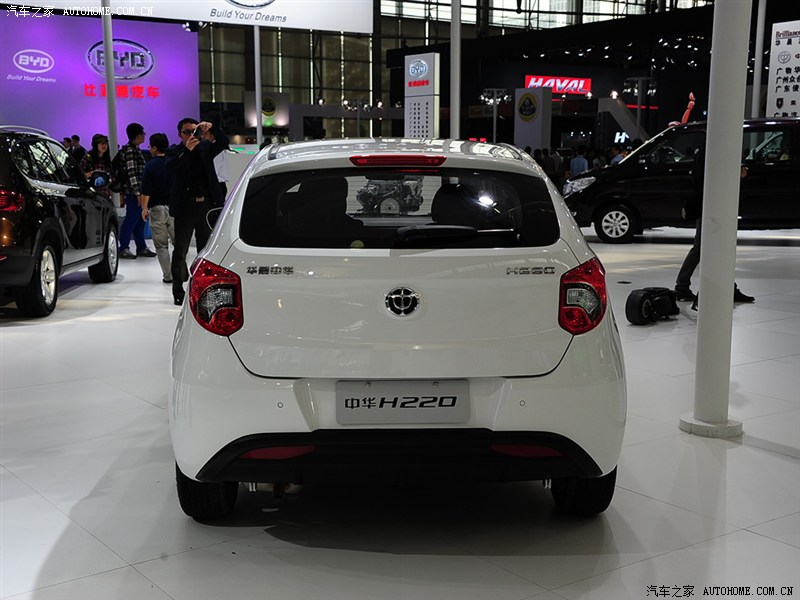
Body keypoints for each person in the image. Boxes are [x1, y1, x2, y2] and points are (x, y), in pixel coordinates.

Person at [675, 144, 755, 304]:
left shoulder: (705, 150)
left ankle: (685, 285)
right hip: (715, 205)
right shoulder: (717, 150)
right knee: (709, 247)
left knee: (706, 247)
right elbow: (728, 176)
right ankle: (683, 285)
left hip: (710, 204)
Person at [166, 118, 229, 305]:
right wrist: (186, 150)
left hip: (205, 206)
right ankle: (178, 291)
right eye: (187, 132)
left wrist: (213, 127)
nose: (191, 135)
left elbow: (223, 142)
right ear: (179, 134)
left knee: (206, 251)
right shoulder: (175, 151)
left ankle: (203, 289)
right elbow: (170, 167)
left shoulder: (206, 148)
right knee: (180, 250)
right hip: (185, 207)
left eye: (195, 131)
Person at [117, 122, 156, 259]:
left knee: (139, 221)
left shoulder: (135, 149)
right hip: (134, 193)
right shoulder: (130, 151)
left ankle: (141, 247)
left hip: (139, 192)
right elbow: (131, 173)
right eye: (143, 133)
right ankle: (123, 248)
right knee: (131, 220)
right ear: (138, 135)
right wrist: (138, 193)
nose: (144, 136)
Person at [140, 133, 175, 283]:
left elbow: (146, 190)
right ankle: (179, 273)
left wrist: (144, 208)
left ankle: (168, 276)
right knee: (179, 244)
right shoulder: (174, 163)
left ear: (154, 148)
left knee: (161, 246)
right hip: (175, 208)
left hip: (157, 209)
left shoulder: (150, 166)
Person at [79, 133, 112, 198]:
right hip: (91, 192)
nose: (104, 145)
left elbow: (111, 174)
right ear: (95, 145)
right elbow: (79, 174)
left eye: (105, 143)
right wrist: (91, 173)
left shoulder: (107, 159)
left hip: (105, 193)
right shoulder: (88, 157)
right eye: (101, 143)